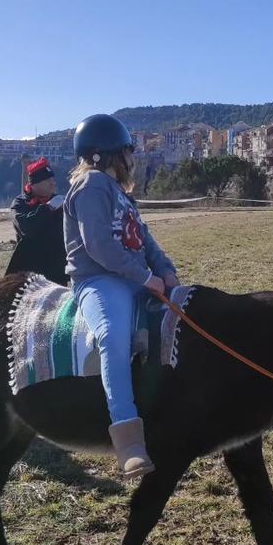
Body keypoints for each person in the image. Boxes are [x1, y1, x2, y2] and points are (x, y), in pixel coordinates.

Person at [64, 114, 179, 478]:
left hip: (133, 276)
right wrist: (145, 276)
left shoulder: (120, 193)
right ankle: (128, 438)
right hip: (99, 280)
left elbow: (142, 238)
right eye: (128, 151)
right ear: (106, 154)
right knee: (112, 337)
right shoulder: (91, 185)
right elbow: (97, 245)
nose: (133, 158)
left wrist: (164, 268)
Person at [5, 157, 68, 284]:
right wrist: (48, 208)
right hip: (30, 270)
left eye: (53, 179)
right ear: (34, 184)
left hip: (57, 268)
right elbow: (26, 228)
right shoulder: (20, 203)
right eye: (47, 180)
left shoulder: (60, 202)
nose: (53, 183)